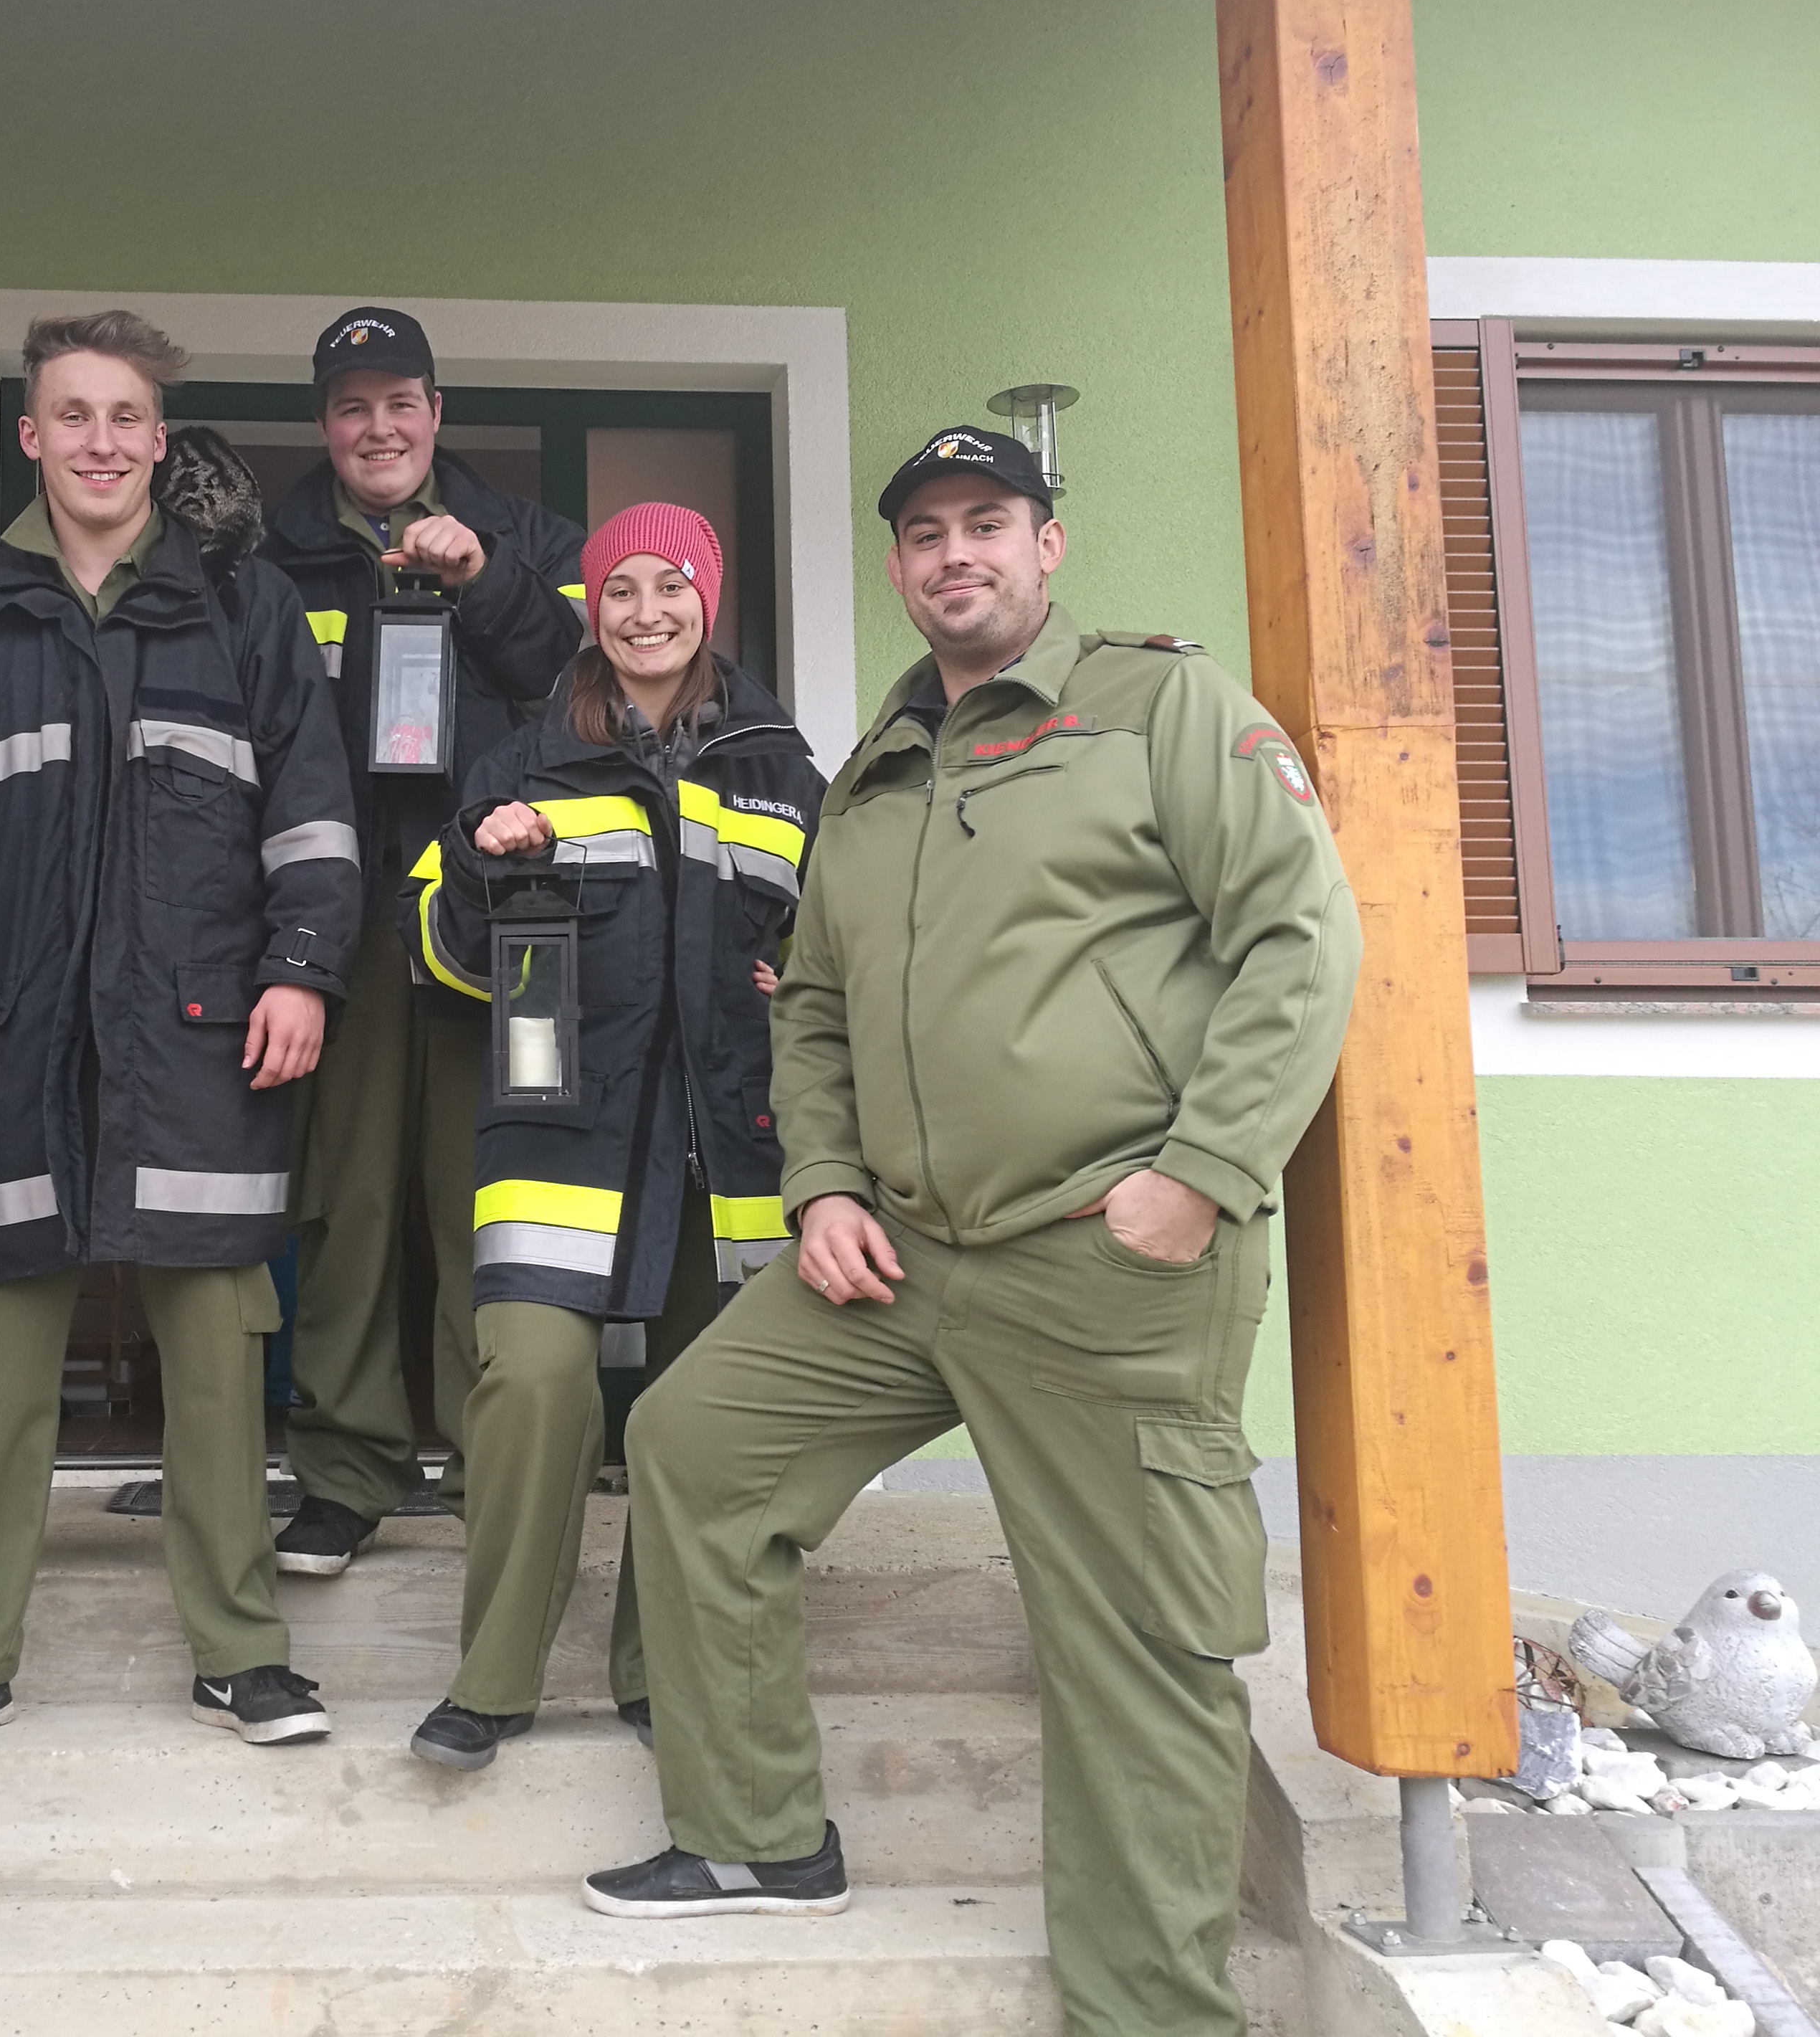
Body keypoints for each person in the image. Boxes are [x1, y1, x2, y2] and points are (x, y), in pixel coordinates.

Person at [580, 426, 1361, 2033]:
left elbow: (1300, 935)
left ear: (1045, 544)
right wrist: (822, 1185)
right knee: (693, 1446)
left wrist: (1200, 1172)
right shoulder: (877, 767)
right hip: (901, 1254)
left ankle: (1149, 2012)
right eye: (926, 533)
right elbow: (810, 1003)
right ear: (896, 567)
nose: (956, 555)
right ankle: (754, 1836)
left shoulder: (1157, 707)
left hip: (1103, 1252)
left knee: (1131, 1644)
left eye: (986, 524)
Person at [0, 311, 361, 1755]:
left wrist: (302, 970)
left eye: (126, 417)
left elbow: (313, 813)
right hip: (11, 1040)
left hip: (203, 1037)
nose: (101, 442)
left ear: (158, 438)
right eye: (73, 415)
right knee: (2, 1353)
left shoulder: (243, 608)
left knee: (217, 1353)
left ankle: (243, 1653)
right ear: (30, 435)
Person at [400, 503, 819, 1772]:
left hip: (733, 1156)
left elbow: (835, 951)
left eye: (671, 586)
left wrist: (797, 993)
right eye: (620, 589)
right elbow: (439, 956)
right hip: (559, 1147)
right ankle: (493, 1681)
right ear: (592, 610)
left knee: (700, 1428)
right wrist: (486, 873)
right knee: (532, 1388)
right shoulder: (523, 764)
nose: (646, 613)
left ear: (709, 600)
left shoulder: (785, 773)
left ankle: (661, 1668)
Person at [257, 305, 589, 1577]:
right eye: (353, 407)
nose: (379, 428)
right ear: (325, 425)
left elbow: (586, 687)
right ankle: (345, 1470)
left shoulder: (535, 542)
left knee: (482, 1201)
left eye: (402, 403)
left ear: (439, 415)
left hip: (495, 924)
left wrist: (483, 580)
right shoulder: (271, 559)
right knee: (345, 1205)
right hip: (338, 925)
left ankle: (487, 1464)